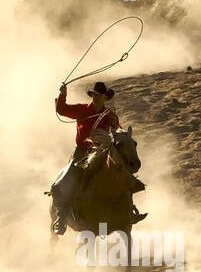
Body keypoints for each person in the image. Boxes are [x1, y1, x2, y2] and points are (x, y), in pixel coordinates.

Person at [49, 81, 143, 234]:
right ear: (92, 95)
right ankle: (62, 215)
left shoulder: (109, 115)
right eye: (95, 95)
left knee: (123, 174)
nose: (97, 97)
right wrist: (62, 94)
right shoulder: (81, 110)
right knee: (66, 181)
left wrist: (115, 123)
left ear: (105, 97)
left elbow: (116, 129)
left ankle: (128, 211)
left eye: (100, 95)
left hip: (102, 152)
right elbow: (61, 109)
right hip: (81, 153)